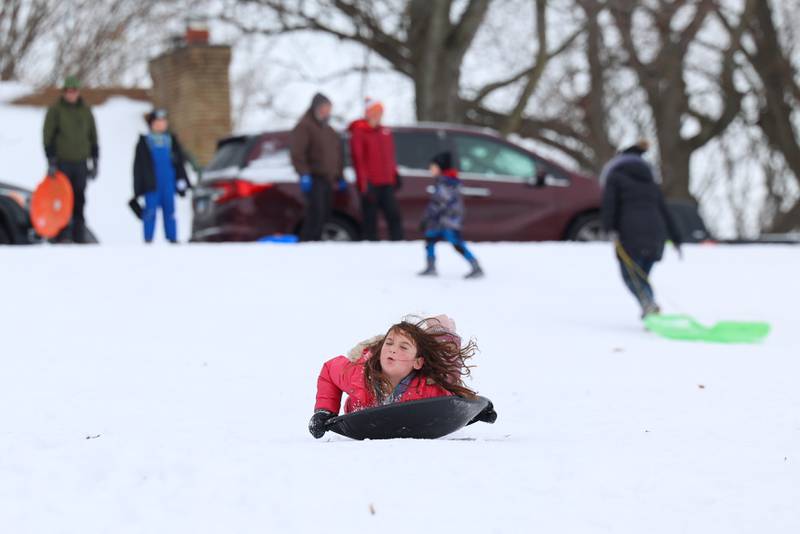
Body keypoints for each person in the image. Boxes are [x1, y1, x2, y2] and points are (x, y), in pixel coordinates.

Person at [308, 315, 496, 439]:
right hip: (362, 417)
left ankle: (444, 330)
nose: (392, 349)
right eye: (388, 343)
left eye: (403, 347)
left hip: (423, 386)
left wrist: (477, 410)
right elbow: (329, 370)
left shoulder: (428, 388)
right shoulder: (358, 376)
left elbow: (454, 406)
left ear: (417, 362)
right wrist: (324, 411)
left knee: (445, 368)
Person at [601, 139, 683, 317]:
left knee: (631, 276)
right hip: (655, 238)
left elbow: (609, 205)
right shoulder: (651, 184)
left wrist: (609, 228)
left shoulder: (615, 178)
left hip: (630, 237)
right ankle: (649, 307)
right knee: (641, 278)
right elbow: (665, 211)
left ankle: (648, 305)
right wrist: (676, 237)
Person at [42, 75, 99, 243]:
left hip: (81, 163)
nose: (71, 94)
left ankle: (79, 234)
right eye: (68, 91)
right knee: (61, 199)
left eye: (74, 91)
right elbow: (48, 136)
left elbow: (93, 136)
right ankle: (62, 234)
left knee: (79, 198)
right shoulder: (56, 110)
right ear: (64, 92)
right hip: (62, 162)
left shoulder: (86, 111)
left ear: (78, 92)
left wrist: (95, 160)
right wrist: (51, 160)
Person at [418, 152, 484, 279]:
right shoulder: (445, 182)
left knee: (457, 244)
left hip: (447, 221)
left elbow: (438, 204)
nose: (430, 169)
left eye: (432, 167)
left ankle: (475, 266)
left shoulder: (446, 183)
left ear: (440, 167)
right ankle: (430, 266)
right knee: (429, 241)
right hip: (438, 222)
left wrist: (426, 218)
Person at [290, 93, 345, 241]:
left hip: (328, 179)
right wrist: (304, 174)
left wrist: (340, 176)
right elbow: (297, 153)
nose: (327, 111)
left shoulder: (329, 130)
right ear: (316, 108)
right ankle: (307, 244)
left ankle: (317, 244)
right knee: (315, 214)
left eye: (329, 108)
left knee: (325, 215)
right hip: (314, 178)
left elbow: (338, 155)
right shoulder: (304, 126)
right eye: (325, 108)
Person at [348, 98, 403, 240]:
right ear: (368, 113)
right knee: (370, 219)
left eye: (380, 112)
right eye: (376, 112)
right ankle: (370, 246)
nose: (379, 115)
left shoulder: (385, 132)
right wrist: (363, 183)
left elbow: (390, 157)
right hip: (370, 183)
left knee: (394, 215)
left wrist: (394, 174)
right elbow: (358, 160)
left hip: (387, 183)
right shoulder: (359, 132)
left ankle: (398, 244)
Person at [132, 109, 191, 243]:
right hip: (151, 184)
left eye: (163, 121)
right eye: (158, 122)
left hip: (168, 183)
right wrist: (138, 188)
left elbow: (180, 164)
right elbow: (138, 168)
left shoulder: (171, 141)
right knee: (150, 212)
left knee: (170, 211)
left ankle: (172, 238)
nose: (161, 124)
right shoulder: (144, 142)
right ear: (151, 124)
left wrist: (182, 181)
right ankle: (148, 239)